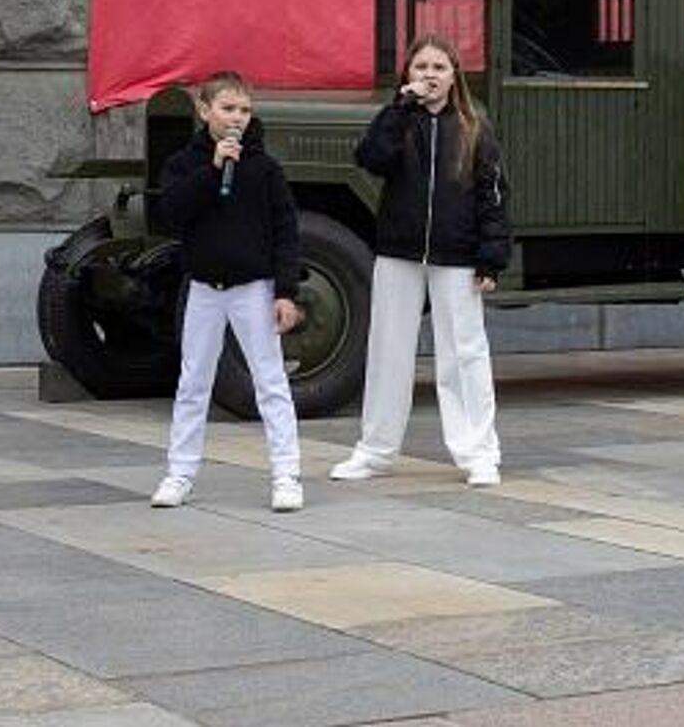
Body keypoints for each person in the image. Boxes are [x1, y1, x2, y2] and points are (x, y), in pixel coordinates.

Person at [330, 34, 511, 487]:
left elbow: (492, 195)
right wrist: (399, 108)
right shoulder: (399, 120)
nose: (430, 75)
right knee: (387, 351)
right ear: (408, 74)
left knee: (464, 353)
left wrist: (491, 258)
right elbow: (371, 158)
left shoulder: (474, 128)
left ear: (453, 76)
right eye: (421, 67)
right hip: (399, 251)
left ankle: (479, 454)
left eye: (439, 67)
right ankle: (374, 451)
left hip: (457, 256)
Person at [150, 71, 304, 512]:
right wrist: (212, 169)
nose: (237, 118)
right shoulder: (185, 163)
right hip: (204, 288)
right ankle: (180, 473)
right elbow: (171, 211)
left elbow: (285, 230)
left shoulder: (264, 168)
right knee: (193, 382)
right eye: (227, 108)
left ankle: (286, 475)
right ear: (205, 111)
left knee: (270, 381)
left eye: (244, 110)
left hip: (253, 288)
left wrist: (285, 291)